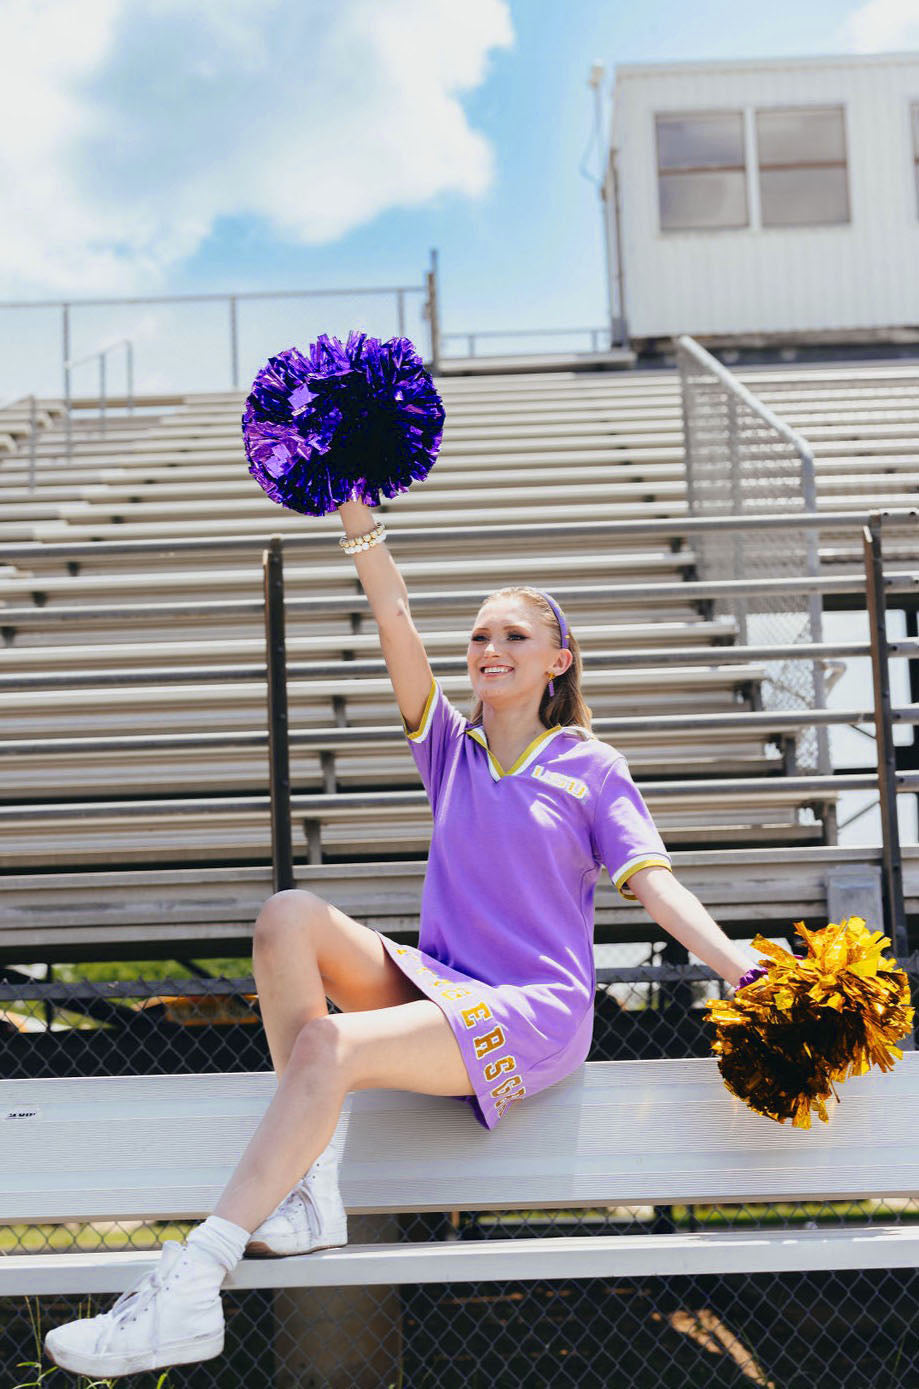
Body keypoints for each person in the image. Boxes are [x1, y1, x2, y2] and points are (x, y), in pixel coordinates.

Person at [44, 497, 759, 1378]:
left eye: (512, 638)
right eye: (478, 638)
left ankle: (195, 1276)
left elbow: (653, 881)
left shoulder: (591, 767)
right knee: (286, 917)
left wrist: (733, 961)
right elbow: (393, 612)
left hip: (532, 1013)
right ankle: (306, 1192)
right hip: (444, 985)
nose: (488, 650)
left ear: (557, 661)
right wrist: (354, 513)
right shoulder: (450, 752)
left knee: (330, 1041)